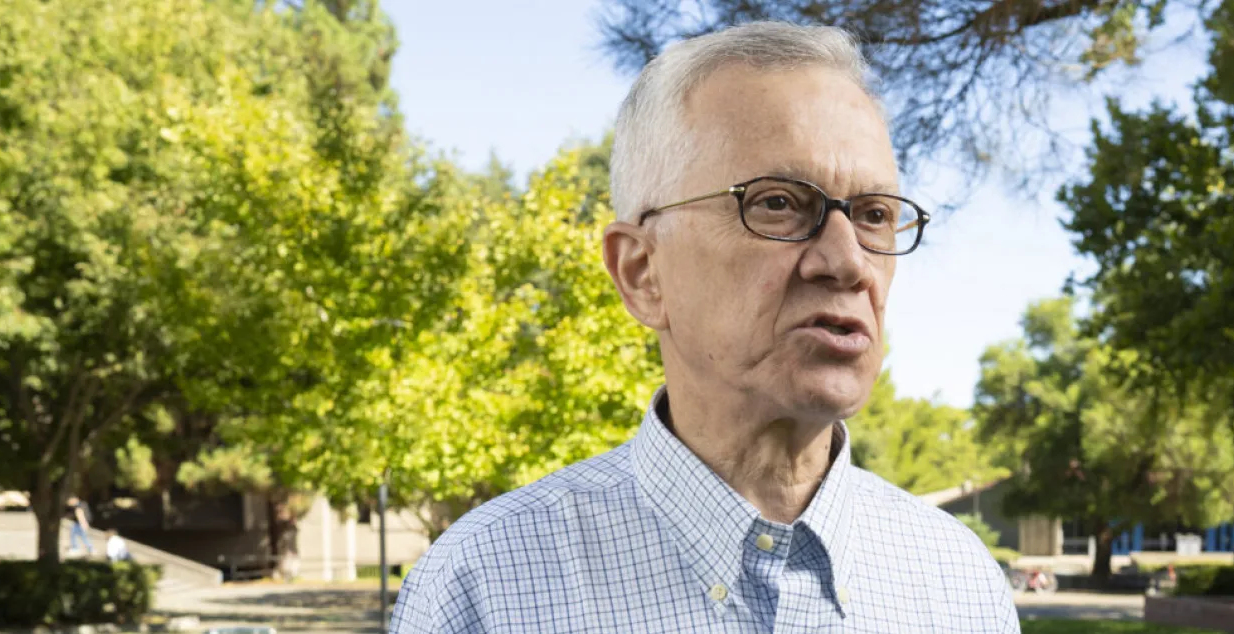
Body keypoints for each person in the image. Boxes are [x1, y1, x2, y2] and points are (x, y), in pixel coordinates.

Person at [392, 21, 1018, 633]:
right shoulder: (483, 587)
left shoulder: (959, 584)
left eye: (874, 214)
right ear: (642, 272)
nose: (848, 261)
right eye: (777, 202)